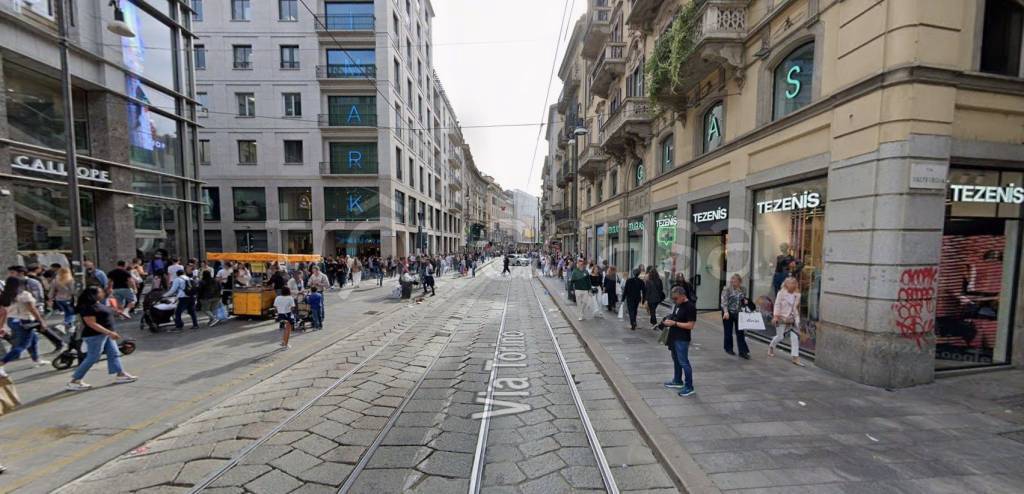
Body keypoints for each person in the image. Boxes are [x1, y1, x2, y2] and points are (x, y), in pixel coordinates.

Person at [66, 287, 137, 391]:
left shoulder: (98, 303)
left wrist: (118, 312)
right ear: (93, 295)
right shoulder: (88, 307)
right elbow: (92, 323)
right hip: (95, 336)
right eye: (100, 292)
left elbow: (104, 313)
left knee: (114, 353)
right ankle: (75, 381)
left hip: (105, 335)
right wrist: (109, 332)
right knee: (93, 357)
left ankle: (121, 375)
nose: (103, 293)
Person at [0, 278, 49, 375]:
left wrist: (2, 325)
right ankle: (1, 363)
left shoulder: (5, 295)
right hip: (24, 320)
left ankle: (36, 359)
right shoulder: (24, 295)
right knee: (22, 345)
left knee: (33, 339)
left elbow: (3, 312)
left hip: (12, 320)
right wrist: (41, 321)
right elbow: (32, 309)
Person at [662, 286, 697, 397]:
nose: (674, 300)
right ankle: (677, 381)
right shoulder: (678, 304)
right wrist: (667, 320)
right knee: (676, 359)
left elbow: (690, 325)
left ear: (683, 295)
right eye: (673, 298)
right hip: (674, 336)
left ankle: (689, 387)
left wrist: (675, 323)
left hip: (682, 338)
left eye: (676, 298)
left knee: (684, 362)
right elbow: (675, 316)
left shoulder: (690, 307)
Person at [770, 276, 805, 366]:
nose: (792, 285)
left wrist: (797, 321)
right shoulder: (781, 293)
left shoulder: (797, 295)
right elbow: (777, 305)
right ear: (786, 284)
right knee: (780, 337)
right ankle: (771, 346)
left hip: (792, 319)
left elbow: (795, 308)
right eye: (790, 283)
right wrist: (776, 316)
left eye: (794, 283)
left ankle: (795, 358)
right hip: (781, 318)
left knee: (795, 338)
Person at [720, 274, 751, 359]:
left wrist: (745, 301)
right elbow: (724, 301)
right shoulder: (727, 289)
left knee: (740, 332)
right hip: (728, 312)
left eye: (735, 281)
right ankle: (728, 348)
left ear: (739, 282)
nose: (733, 282)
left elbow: (743, 299)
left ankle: (743, 351)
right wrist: (725, 312)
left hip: (739, 313)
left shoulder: (743, 289)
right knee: (728, 331)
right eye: (732, 280)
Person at [50, 267, 76, 334]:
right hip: (67, 298)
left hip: (58, 299)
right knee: (71, 312)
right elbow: (72, 290)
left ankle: (67, 325)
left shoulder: (55, 280)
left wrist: (50, 298)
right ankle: (67, 325)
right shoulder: (70, 280)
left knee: (65, 312)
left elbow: (52, 290)